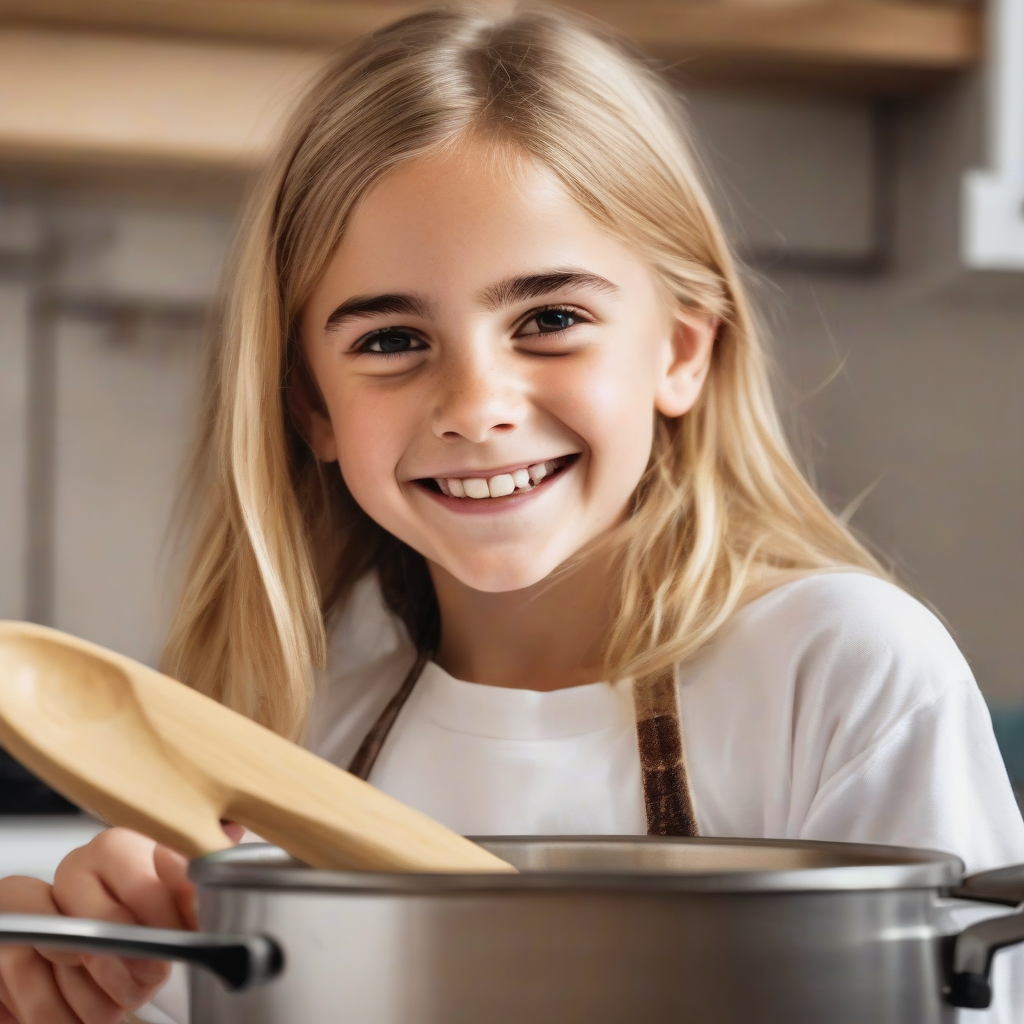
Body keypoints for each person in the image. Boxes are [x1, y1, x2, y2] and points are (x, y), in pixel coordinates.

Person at [1, 6, 1022, 1023]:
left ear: (679, 350)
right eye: (391, 340)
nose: (476, 404)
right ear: (311, 405)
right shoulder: (306, 748)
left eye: (549, 320)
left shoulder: (839, 671)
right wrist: (82, 1001)